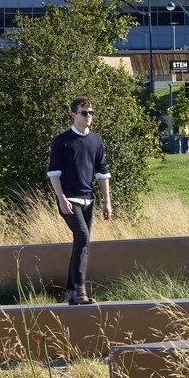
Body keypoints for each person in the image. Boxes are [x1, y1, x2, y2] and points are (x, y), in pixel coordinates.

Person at [45, 95, 110, 304]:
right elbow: (54, 173)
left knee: (82, 243)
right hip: (69, 199)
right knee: (82, 235)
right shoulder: (62, 141)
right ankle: (80, 290)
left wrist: (107, 201)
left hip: (88, 199)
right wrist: (61, 199)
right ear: (74, 115)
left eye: (91, 112)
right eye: (84, 113)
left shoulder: (96, 141)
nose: (88, 116)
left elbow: (102, 174)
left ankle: (72, 290)